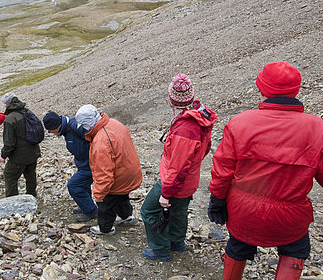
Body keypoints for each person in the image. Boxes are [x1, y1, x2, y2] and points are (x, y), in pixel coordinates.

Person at [208, 61, 323, 279]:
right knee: (296, 250)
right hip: (290, 218)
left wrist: (217, 200)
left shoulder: (239, 123)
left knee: (237, 246)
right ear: (295, 91)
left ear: (262, 90)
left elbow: (222, 171)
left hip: (245, 214)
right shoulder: (319, 129)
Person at [141, 74, 217, 262]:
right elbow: (203, 150)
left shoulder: (185, 129)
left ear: (172, 100)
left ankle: (161, 249)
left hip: (175, 182)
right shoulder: (200, 116)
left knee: (148, 211)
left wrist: (166, 193)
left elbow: (178, 167)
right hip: (190, 180)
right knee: (179, 210)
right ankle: (177, 242)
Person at [75, 104, 143, 236]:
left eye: (83, 125)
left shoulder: (101, 140)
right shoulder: (114, 123)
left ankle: (105, 229)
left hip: (119, 176)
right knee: (122, 195)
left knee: (107, 202)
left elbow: (104, 174)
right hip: (129, 170)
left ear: (87, 124)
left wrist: (99, 195)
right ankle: (126, 217)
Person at [43, 111, 97, 222]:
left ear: (56, 127)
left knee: (73, 185)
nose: (51, 133)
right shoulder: (67, 129)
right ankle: (85, 205)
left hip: (90, 164)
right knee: (83, 185)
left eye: (50, 131)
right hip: (83, 163)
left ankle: (90, 211)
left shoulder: (75, 126)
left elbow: (95, 140)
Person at [0, 93, 41, 197]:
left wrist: (3, 156)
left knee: (10, 175)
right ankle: (32, 195)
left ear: (6, 104)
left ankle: (12, 199)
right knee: (30, 174)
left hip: (19, 157)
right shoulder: (27, 112)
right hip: (33, 152)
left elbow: (9, 143)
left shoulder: (10, 119)